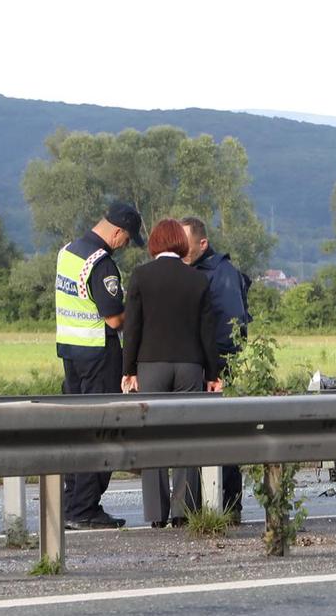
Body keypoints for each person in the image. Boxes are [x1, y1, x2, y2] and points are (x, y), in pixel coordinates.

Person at [121, 219, 223, 528]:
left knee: (153, 437)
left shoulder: (140, 276)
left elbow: (132, 328)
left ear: (154, 244)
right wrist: (212, 373)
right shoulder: (197, 280)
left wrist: (128, 370)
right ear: (180, 242)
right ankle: (182, 511)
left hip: (151, 364)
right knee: (185, 436)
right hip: (190, 366)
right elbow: (208, 331)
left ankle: (155, 514)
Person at [55, 201, 144, 529]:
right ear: (118, 231)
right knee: (102, 430)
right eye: (127, 239)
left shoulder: (68, 251)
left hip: (70, 353)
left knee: (78, 431)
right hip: (98, 355)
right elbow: (114, 316)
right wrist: (138, 311)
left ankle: (70, 504)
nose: (125, 246)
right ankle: (84, 509)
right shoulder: (101, 263)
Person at [180, 216, 252, 522]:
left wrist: (217, 368)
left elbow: (230, 325)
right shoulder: (206, 269)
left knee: (222, 435)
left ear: (203, 243)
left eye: (185, 245)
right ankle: (216, 504)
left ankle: (229, 506)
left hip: (219, 364)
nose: (181, 252)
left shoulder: (219, 273)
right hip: (209, 362)